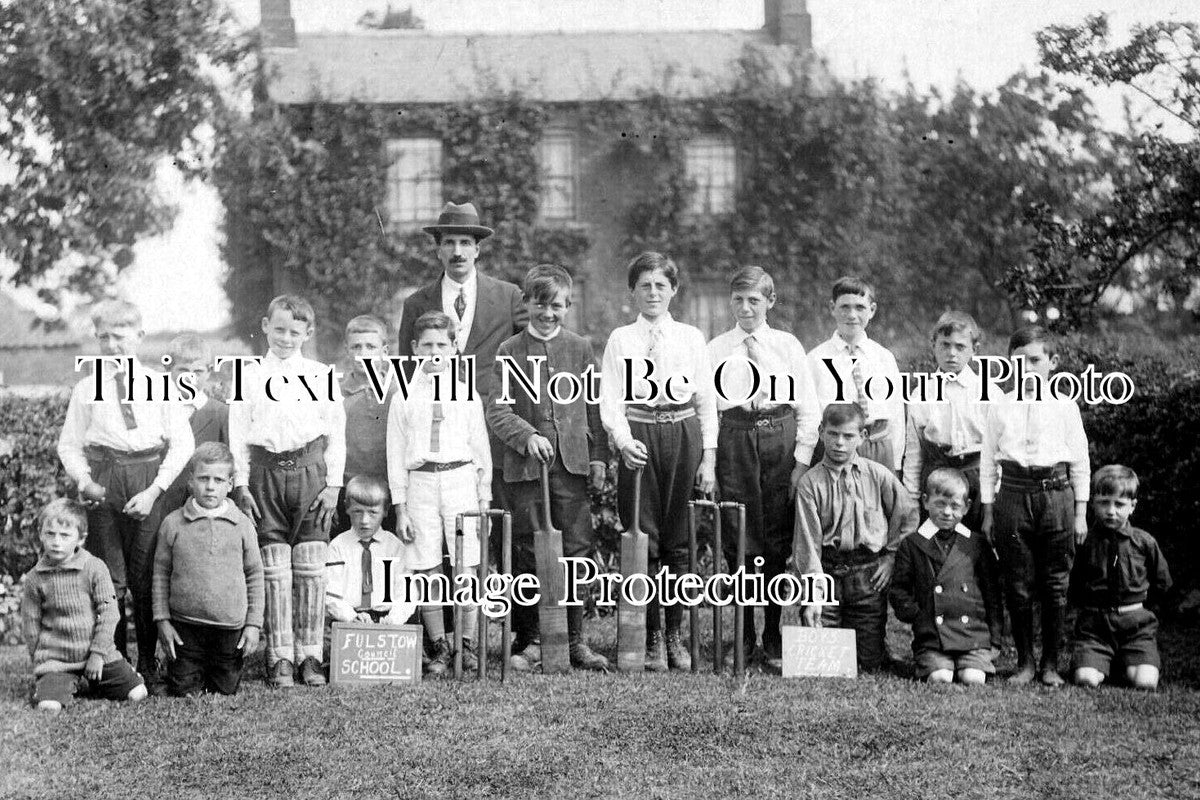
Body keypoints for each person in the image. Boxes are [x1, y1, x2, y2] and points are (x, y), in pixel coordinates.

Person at [56, 299, 194, 689]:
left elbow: (182, 445)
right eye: (104, 337)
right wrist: (85, 481)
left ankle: (149, 662)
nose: (112, 345)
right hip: (105, 479)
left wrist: (155, 491)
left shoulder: (162, 385)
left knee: (147, 574)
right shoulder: (86, 389)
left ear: (139, 336)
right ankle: (114, 662)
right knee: (108, 578)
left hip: (149, 477)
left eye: (120, 336)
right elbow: (69, 446)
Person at [485, 264, 609, 672]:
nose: (548, 313)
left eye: (557, 305)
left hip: (570, 467)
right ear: (527, 303)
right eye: (540, 304)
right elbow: (498, 411)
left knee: (575, 550)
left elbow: (592, 407)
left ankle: (573, 640)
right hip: (524, 469)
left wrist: (597, 458)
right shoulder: (509, 352)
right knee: (527, 549)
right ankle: (533, 639)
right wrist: (527, 436)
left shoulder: (580, 348)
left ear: (567, 307)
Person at [600, 251, 717, 672]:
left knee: (679, 540)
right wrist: (623, 440)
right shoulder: (621, 339)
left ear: (673, 291)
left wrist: (708, 458)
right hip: (640, 433)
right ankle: (650, 639)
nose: (652, 293)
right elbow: (610, 399)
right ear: (633, 291)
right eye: (644, 285)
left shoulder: (690, 337)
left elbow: (706, 401)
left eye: (660, 285)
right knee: (643, 536)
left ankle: (675, 635)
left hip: (682, 433)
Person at [229, 294, 346, 689]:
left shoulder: (320, 374)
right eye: (278, 329)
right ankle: (279, 658)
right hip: (265, 474)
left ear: (307, 333)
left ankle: (311, 656)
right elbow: (237, 437)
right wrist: (241, 484)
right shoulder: (247, 376)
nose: (285, 337)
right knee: (274, 569)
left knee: (312, 566)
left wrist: (333, 487)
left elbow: (338, 436)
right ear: (265, 326)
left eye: (294, 331)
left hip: (311, 472)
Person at [706, 265, 819, 669]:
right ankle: (744, 635)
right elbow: (707, 409)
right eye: (738, 299)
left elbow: (807, 404)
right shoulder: (717, 347)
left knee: (774, 538)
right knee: (738, 535)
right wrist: (712, 459)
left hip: (778, 436)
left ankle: (772, 635)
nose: (745, 307)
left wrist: (800, 462)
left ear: (770, 301)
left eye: (754, 299)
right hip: (735, 436)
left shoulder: (786, 345)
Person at [980, 325, 1090, 687]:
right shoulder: (999, 406)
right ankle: (1025, 661)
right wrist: (990, 510)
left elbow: (1080, 463)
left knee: (1056, 583)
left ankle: (1051, 664)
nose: (1026, 369)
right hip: (1012, 494)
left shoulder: (1065, 406)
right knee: (1018, 583)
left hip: (1056, 496)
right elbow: (987, 463)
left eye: (1035, 360)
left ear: (1052, 362)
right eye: (1018, 362)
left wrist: (1080, 513)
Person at [395, 201, 527, 498]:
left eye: (465, 243)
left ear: (477, 250)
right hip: (439, 437)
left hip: (495, 428)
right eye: (449, 243)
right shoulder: (416, 303)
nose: (457, 252)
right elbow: (407, 370)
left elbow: (529, 357)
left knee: (494, 517)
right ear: (438, 250)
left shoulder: (508, 296)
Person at [388, 311, 491, 676]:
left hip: (460, 479)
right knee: (427, 564)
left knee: (466, 564)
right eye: (427, 345)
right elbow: (396, 452)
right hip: (421, 483)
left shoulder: (466, 392)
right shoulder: (403, 393)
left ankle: (465, 644)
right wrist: (400, 508)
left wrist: (484, 499)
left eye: (441, 345)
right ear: (415, 349)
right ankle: (440, 646)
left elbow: (480, 449)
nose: (434, 352)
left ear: (453, 349)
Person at [792, 402, 917, 672]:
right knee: (825, 666)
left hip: (867, 575)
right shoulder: (810, 484)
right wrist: (812, 595)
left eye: (848, 436)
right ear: (821, 431)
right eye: (833, 433)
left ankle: (874, 646)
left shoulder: (878, 475)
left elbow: (908, 516)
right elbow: (807, 543)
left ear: (862, 437)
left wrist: (891, 556)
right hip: (825, 576)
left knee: (869, 663)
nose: (839, 443)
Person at [152, 442, 263, 696]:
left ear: (231, 483)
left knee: (225, 690)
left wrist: (253, 624)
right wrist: (162, 620)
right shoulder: (173, 523)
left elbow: (255, 575)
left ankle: (219, 668)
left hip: (229, 626)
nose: (210, 486)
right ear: (191, 481)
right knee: (183, 689)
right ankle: (184, 669)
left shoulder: (242, 524)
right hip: (185, 625)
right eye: (203, 478)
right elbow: (160, 575)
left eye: (218, 479)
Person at [20, 499, 148, 711]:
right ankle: (56, 684)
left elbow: (109, 611)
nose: (56, 542)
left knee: (138, 693)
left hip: (99, 654)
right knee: (49, 706)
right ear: (41, 535)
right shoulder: (35, 577)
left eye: (65, 535)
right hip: (58, 659)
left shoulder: (95, 568)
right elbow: (31, 623)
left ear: (81, 538)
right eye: (50, 534)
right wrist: (41, 662)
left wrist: (98, 654)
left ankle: (98, 680)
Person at [890, 468, 1002, 685]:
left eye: (955, 506)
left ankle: (970, 662)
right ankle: (938, 663)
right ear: (925, 501)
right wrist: (918, 614)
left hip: (972, 636)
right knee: (940, 677)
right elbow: (899, 589)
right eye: (940, 504)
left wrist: (995, 638)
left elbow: (992, 594)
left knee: (974, 678)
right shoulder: (912, 544)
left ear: (967, 507)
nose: (947, 512)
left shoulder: (976, 544)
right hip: (932, 637)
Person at [1070, 465, 1171, 691]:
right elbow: (1074, 584)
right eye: (1104, 502)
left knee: (1145, 682)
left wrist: (1140, 608)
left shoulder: (1144, 542)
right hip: (1095, 628)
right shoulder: (1084, 543)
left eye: (1119, 504)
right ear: (1092, 502)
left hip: (1135, 627)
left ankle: (1127, 659)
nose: (1111, 511)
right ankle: (1098, 660)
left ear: (1132, 506)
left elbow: (1161, 583)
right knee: (1086, 679)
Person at [807, 276, 905, 471]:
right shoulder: (815, 359)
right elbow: (810, 417)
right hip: (835, 448)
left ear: (872, 310)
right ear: (832, 308)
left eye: (860, 307)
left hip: (877, 447)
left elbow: (896, 416)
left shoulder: (884, 357)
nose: (852, 315)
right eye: (844, 307)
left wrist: (895, 465)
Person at [902, 312, 987, 533]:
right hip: (935, 478)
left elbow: (997, 452)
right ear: (933, 346)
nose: (951, 353)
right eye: (945, 345)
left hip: (975, 481)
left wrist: (991, 499)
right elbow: (914, 452)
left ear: (974, 350)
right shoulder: (922, 392)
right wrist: (911, 498)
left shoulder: (988, 392)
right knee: (932, 544)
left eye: (960, 347)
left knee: (974, 547)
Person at [324, 476, 416, 651]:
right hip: (349, 619)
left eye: (373, 512)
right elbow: (331, 594)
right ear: (347, 509)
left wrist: (394, 619)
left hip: (388, 619)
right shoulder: (337, 546)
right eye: (358, 511)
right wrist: (350, 617)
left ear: (386, 510)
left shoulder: (395, 547)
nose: (364, 520)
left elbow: (406, 593)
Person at [339, 314, 398, 532]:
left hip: (389, 490)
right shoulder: (336, 395)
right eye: (356, 347)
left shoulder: (398, 393)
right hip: (350, 490)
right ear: (347, 349)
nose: (362, 354)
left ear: (384, 351)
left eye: (370, 347)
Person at [162, 333, 229, 511]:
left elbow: (232, 463)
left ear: (209, 372)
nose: (190, 378)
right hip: (164, 500)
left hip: (206, 502)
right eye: (183, 370)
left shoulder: (220, 412)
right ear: (168, 370)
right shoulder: (158, 409)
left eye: (198, 371)